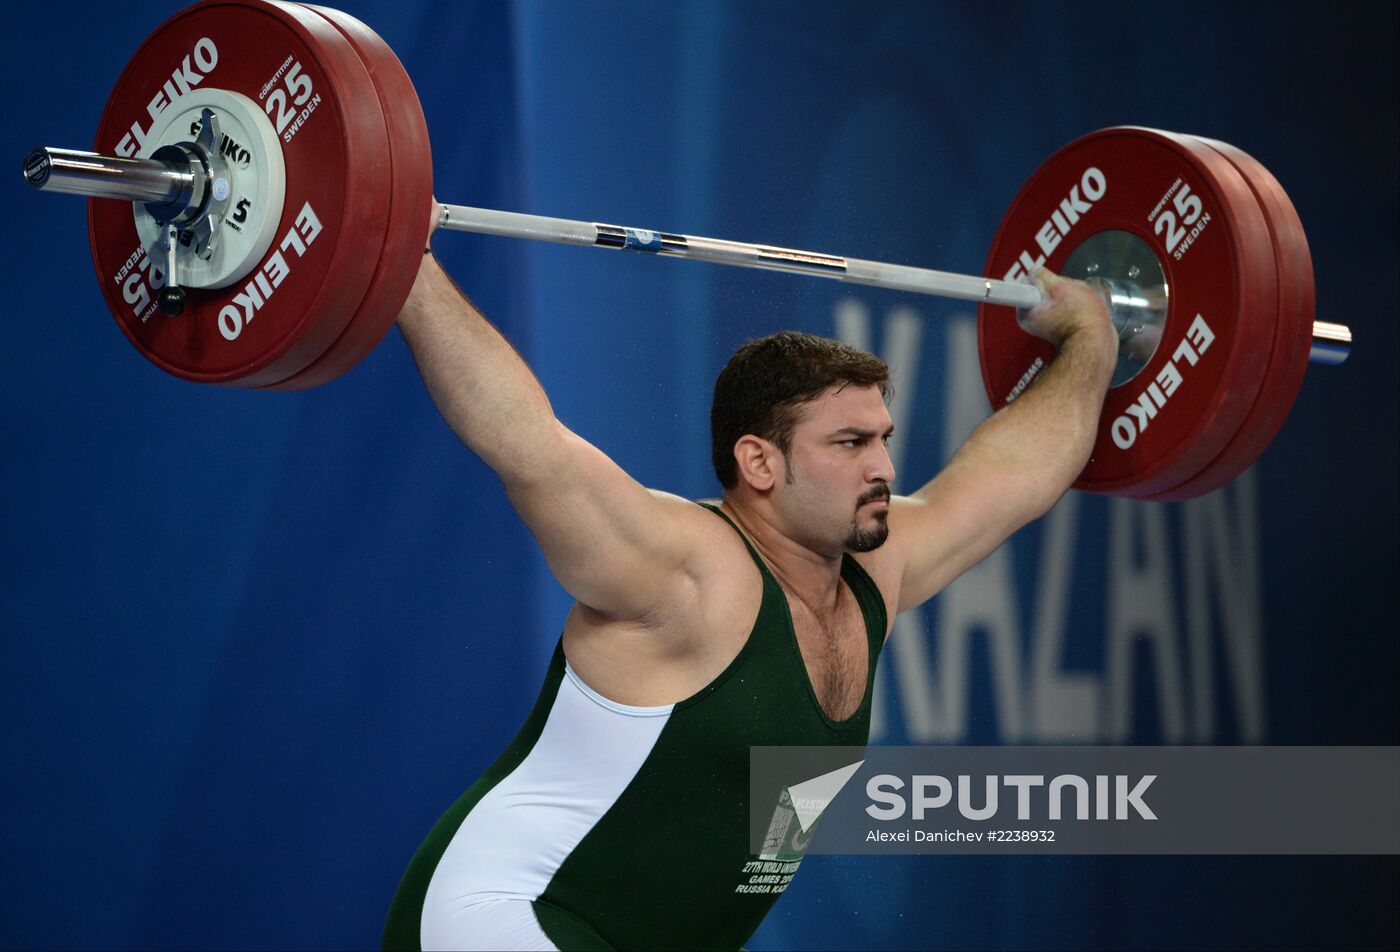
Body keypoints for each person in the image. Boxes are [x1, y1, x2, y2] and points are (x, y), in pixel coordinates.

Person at [381, 207, 1118, 951]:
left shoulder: (874, 576)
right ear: (760, 463)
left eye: (884, 441)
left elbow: (1017, 474)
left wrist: (1092, 337)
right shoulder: (689, 571)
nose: (885, 471)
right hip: (507, 913)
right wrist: (396, 255)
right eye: (850, 443)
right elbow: (526, 445)